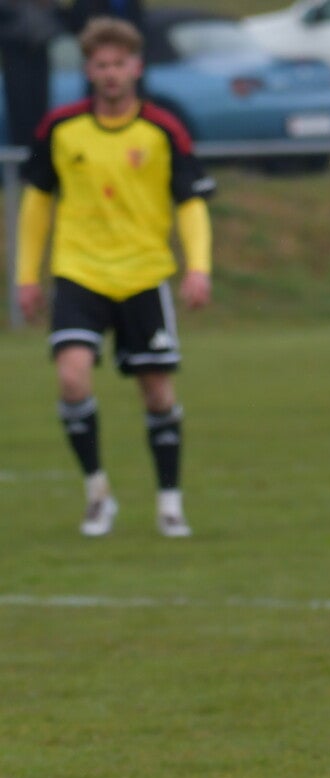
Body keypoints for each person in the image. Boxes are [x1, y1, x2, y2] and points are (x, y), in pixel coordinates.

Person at [13, 17, 214, 538]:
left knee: (157, 393)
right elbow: (36, 203)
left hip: (144, 275)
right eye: (101, 64)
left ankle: (170, 503)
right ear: (88, 70)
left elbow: (190, 203)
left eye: (119, 64)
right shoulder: (60, 129)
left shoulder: (163, 129)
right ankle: (97, 494)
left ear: (136, 67)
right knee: (72, 376)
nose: (110, 73)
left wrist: (198, 268)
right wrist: (26, 275)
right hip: (79, 272)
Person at [1, 0, 60, 149]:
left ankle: (41, 147)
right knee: (18, 103)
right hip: (13, 47)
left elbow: (60, 12)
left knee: (40, 102)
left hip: (40, 46)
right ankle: (20, 150)